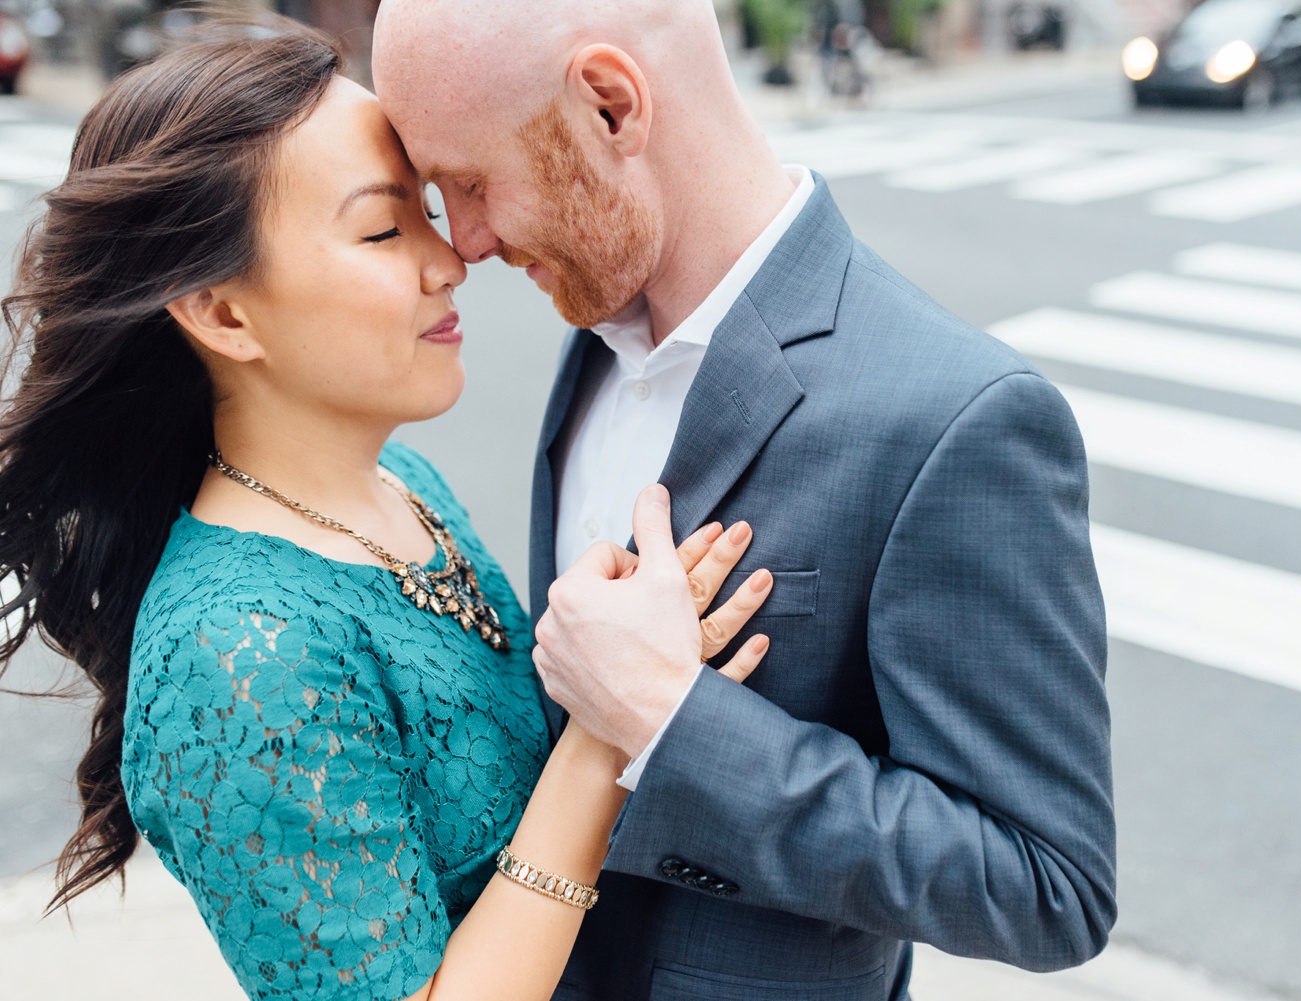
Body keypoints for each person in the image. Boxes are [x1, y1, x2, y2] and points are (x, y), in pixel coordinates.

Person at [0, 21, 774, 1001]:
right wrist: (606, 727)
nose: (450, 262)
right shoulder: (236, 658)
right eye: (381, 229)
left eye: (427, 211)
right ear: (221, 311)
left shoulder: (402, 481)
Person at [372, 2, 1116, 999]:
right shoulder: (589, 329)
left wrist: (672, 717)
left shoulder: (955, 416)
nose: (463, 242)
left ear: (611, 105)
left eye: (470, 182)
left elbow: (1048, 884)